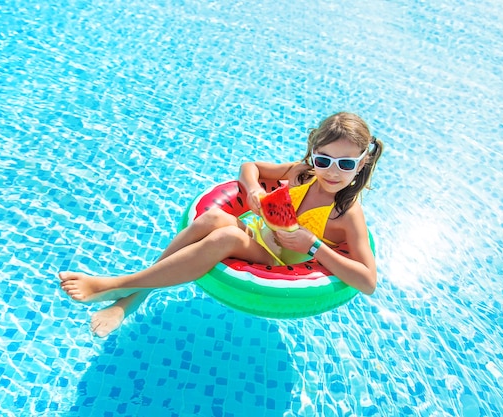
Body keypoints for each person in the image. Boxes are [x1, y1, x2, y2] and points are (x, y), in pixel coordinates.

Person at [59, 112, 384, 337]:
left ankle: (117, 285)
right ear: (313, 153)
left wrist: (313, 246)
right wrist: (255, 190)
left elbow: (368, 282)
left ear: (362, 162)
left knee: (225, 235)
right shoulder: (302, 173)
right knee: (214, 217)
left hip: (280, 260)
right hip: (260, 235)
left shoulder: (346, 214)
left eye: (346, 163)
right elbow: (250, 166)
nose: (332, 171)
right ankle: (134, 298)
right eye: (324, 159)